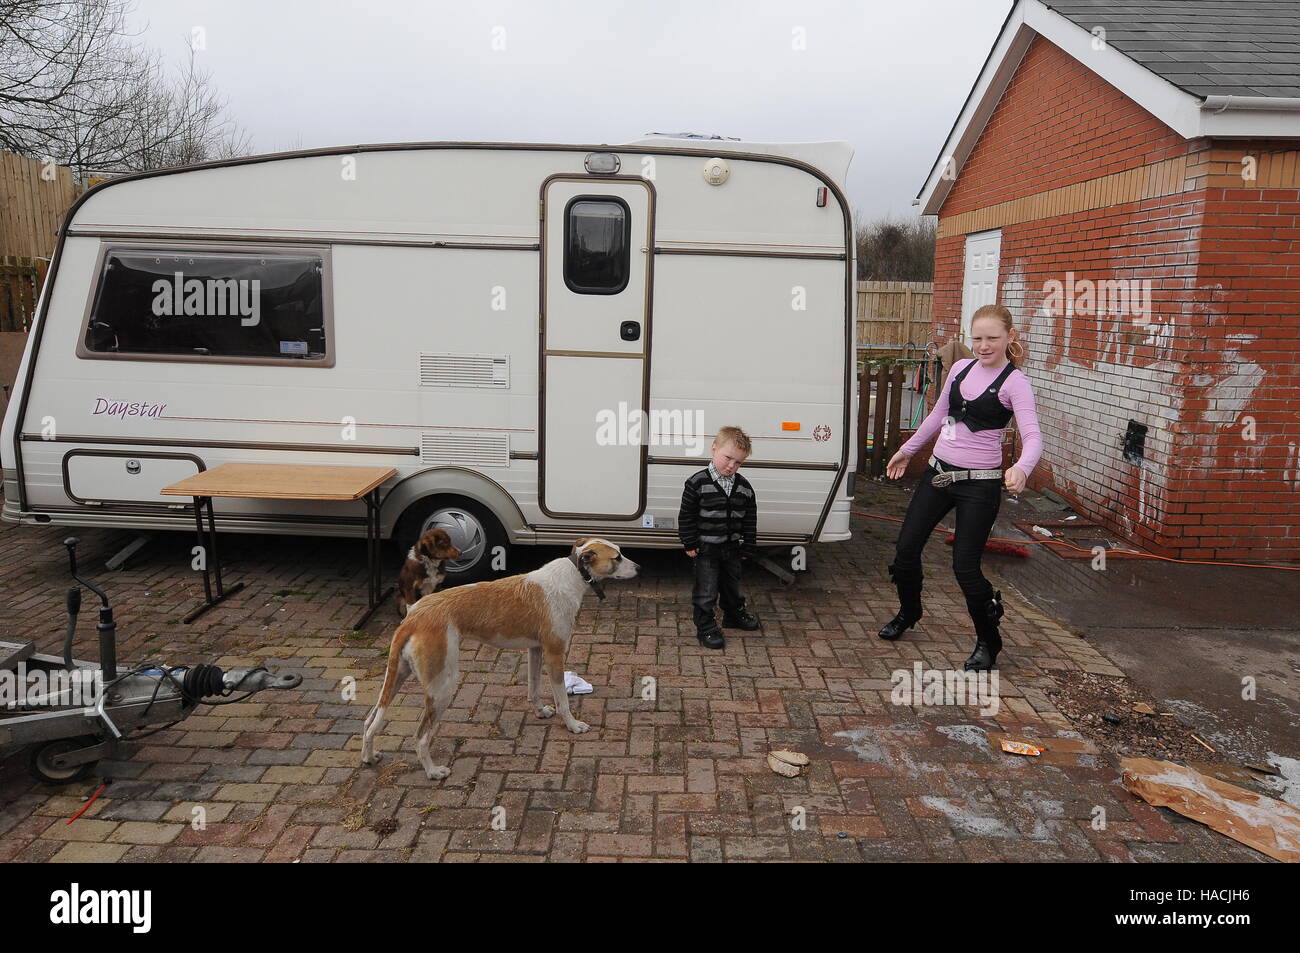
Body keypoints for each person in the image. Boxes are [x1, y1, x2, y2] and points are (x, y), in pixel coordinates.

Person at [880, 304, 1042, 671]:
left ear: (1010, 338)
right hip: (937, 475)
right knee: (906, 549)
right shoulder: (959, 368)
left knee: (964, 567)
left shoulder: (1016, 383)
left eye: (992, 339)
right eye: (978, 338)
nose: (984, 346)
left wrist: (1022, 467)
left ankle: (989, 640)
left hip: (979, 486)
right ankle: (909, 611)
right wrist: (906, 451)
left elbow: (1032, 434)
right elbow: (938, 415)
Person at [678, 426, 762, 649]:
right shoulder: (697, 483)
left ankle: (734, 615)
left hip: (732, 549)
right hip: (706, 550)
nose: (731, 465)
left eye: (738, 462)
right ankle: (705, 627)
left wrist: (749, 545)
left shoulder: (744, 487)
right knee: (706, 590)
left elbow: (749, 519)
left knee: (731, 586)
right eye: (728, 458)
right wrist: (690, 542)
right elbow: (686, 516)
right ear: (714, 449)